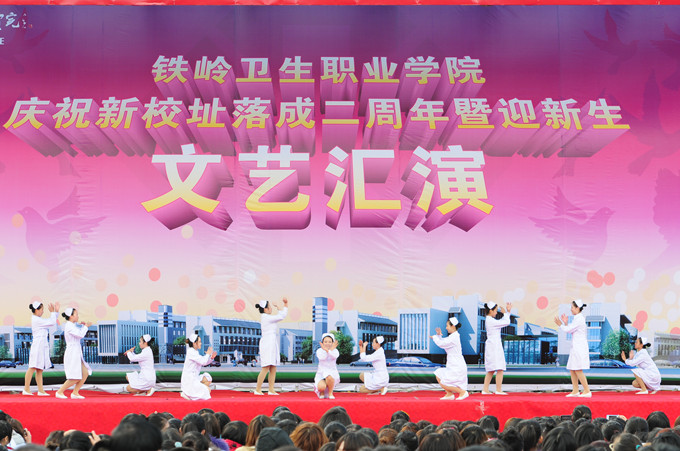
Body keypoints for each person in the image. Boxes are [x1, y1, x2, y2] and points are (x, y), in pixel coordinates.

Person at [554, 299, 591, 397]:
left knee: (577, 369)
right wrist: (565, 323)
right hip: (576, 347)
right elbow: (570, 330)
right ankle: (575, 390)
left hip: (579, 348)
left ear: (577, 308)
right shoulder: (577, 319)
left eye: (572, 307)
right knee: (572, 368)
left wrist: (560, 324)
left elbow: (568, 329)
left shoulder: (579, 319)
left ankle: (587, 391)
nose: (571, 309)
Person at [23, 300, 60, 396]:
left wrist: (55, 312)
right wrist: (53, 312)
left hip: (41, 345)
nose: (43, 311)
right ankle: (26, 389)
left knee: (39, 369)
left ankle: (41, 390)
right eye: (42, 309)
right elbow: (51, 322)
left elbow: (50, 321)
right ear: (36, 310)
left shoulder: (39, 319)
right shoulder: (36, 319)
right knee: (32, 367)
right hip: (38, 345)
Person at [55, 308, 92, 399]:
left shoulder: (71, 325)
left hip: (76, 352)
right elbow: (80, 335)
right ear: (71, 316)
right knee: (75, 377)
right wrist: (86, 326)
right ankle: (59, 392)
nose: (78, 316)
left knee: (85, 373)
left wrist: (82, 326)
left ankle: (75, 393)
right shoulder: (69, 326)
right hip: (72, 353)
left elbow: (78, 333)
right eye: (76, 314)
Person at [254, 297, 288, 395]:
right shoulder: (266, 317)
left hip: (272, 342)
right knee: (266, 367)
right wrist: (284, 305)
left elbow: (280, 316)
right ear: (265, 309)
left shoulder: (267, 317)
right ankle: (258, 389)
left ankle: (271, 389)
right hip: (267, 343)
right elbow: (281, 316)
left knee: (273, 367)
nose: (271, 308)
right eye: (269, 306)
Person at [430, 317, 469, 400]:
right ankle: (449, 394)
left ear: (453, 326)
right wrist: (438, 336)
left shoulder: (454, 337)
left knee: (445, 382)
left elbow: (442, 344)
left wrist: (435, 337)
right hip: (453, 364)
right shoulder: (453, 336)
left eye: (447, 326)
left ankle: (462, 392)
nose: (446, 328)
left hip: (457, 365)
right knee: (438, 374)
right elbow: (444, 342)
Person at [482, 301, 512, 395]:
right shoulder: (491, 321)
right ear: (491, 311)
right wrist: (506, 313)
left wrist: (507, 313)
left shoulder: (490, 320)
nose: (496, 313)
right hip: (494, 346)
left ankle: (485, 389)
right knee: (500, 367)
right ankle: (498, 390)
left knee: (491, 369)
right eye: (495, 311)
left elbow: (502, 322)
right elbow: (506, 322)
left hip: (493, 345)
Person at [180, 333, 217, 400]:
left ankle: (196, 391)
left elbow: (204, 362)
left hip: (195, 378)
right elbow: (203, 361)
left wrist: (211, 358)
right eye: (199, 342)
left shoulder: (195, 352)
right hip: (189, 380)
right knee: (207, 390)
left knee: (208, 378)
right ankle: (188, 394)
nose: (201, 343)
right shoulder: (191, 352)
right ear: (194, 343)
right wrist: (208, 354)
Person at [314, 333, 340, 399]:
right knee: (321, 387)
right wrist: (327, 350)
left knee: (329, 376)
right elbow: (323, 358)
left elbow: (334, 356)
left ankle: (330, 393)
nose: (327, 343)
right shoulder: (319, 351)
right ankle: (322, 392)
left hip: (332, 372)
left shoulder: (335, 351)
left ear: (333, 343)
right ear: (322, 343)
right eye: (325, 342)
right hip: (321, 373)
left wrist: (329, 351)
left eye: (329, 342)